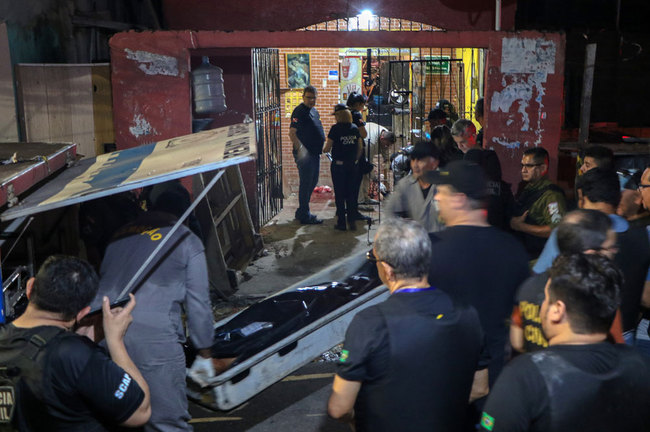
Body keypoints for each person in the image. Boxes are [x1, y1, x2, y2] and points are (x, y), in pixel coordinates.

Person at [327, 219, 483, 432]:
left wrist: (359, 419)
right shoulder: (468, 314)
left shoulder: (370, 322)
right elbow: (480, 387)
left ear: (387, 269)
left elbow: (339, 408)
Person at [480, 254, 650, 432]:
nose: (543, 306)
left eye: (546, 298)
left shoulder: (525, 375)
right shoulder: (640, 365)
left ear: (557, 310)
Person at [93, 188, 215, 432]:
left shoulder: (119, 234)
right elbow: (198, 303)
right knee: (165, 423)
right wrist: (204, 351)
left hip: (102, 331)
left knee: (120, 417)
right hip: (153, 341)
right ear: (186, 214)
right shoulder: (186, 240)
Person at [0, 255, 151, 430]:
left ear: (30, 286)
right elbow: (140, 411)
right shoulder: (74, 354)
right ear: (82, 313)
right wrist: (115, 340)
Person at [424, 160, 530, 388]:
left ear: (459, 199)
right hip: (496, 375)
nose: (437, 198)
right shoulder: (513, 248)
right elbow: (521, 313)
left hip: (446, 372)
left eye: (442, 192)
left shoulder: (430, 250)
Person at [533, 168, 650, 346]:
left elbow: (539, 281)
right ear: (617, 198)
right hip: (624, 336)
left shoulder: (567, 232)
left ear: (582, 197)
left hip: (576, 335)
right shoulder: (643, 236)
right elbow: (645, 295)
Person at [511, 209, 623, 353]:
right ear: (592, 253)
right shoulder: (599, 294)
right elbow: (617, 351)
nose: (615, 252)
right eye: (611, 248)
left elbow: (517, 342)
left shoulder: (528, 287)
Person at [451, 119, 511, 230]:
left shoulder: (489, 158)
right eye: (457, 143)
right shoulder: (458, 158)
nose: (460, 147)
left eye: (463, 142)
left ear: (473, 136)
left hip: (491, 217)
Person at [511, 146, 567, 260]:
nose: (523, 170)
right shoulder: (528, 189)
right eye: (522, 165)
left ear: (543, 168)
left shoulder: (551, 196)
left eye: (529, 166)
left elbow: (557, 229)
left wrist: (522, 227)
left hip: (539, 261)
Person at [383, 141, 443, 233]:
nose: (415, 165)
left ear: (434, 163)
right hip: (415, 242)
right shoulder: (405, 185)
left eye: (420, 160)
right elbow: (390, 213)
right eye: (413, 160)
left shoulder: (445, 185)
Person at [289, 85, 326, 224]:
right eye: (308, 97)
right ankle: (304, 214)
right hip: (305, 154)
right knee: (306, 183)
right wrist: (300, 149)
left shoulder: (314, 111)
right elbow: (292, 133)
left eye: (313, 98)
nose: (311, 100)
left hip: (315, 152)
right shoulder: (299, 112)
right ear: (303, 97)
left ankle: (301, 211)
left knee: (313, 180)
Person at [323, 104, 363, 231]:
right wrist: (355, 159)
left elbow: (327, 148)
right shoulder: (354, 128)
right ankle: (352, 222)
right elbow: (360, 147)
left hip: (339, 166)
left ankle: (341, 223)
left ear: (339, 116)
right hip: (352, 165)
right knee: (351, 194)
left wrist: (324, 149)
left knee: (340, 195)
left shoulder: (335, 129)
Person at [358, 122, 395, 205]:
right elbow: (367, 163)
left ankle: (365, 197)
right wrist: (373, 177)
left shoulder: (386, 133)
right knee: (361, 176)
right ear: (382, 138)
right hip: (358, 154)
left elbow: (385, 149)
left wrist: (387, 161)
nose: (387, 147)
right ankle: (360, 201)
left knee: (366, 177)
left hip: (367, 151)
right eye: (387, 144)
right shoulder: (371, 142)